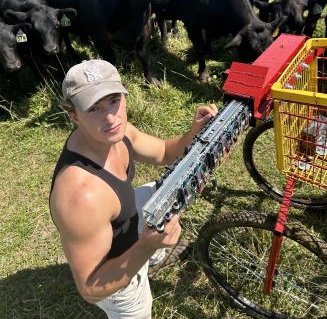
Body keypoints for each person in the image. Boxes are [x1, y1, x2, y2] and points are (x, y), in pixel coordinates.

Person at [50, 59, 218, 318]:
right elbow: (91, 289)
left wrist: (195, 132)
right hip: (114, 280)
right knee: (138, 309)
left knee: (159, 192)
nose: (110, 117)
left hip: (124, 219)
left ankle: (153, 258)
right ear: (73, 114)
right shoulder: (81, 194)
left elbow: (164, 152)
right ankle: (149, 258)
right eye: (93, 108)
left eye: (114, 100)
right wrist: (147, 246)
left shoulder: (118, 130)